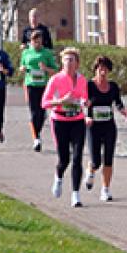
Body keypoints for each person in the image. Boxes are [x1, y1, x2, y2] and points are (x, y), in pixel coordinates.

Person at [41, 47, 89, 207]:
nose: (69, 63)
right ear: (62, 62)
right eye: (66, 60)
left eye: (72, 60)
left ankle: (75, 194)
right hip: (59, 121)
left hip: (77, 120)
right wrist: (61, 101)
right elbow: (45, 102)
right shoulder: (55, 79)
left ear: (77, 63)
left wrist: (85, 103)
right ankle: (58, 177)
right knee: (64, 159)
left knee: (77, 158)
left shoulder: (82, 80)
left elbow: (85, 99)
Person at [85, 56, 126, 202]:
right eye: (100, 68)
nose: (103, 71)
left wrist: (124, 111)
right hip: (93, 126)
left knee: (108, 159)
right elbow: (82, 103)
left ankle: (105, 189)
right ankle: (90, 169)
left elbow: (118, 102)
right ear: (95, 69)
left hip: (109, 125)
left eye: (105, 68)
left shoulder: (113, 86)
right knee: (96, 161)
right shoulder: (88, 85)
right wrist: (86, 116)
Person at [18, 29, 58, 152]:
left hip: (43, 85)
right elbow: (21, 66)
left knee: (41, 113)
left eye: (39, 42)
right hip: (30, 84)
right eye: (35, 41)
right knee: (34, 112)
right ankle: (36, 138)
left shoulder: (47, 53)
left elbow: (55, 70)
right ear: (31, 41)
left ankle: (37, 133)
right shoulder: (26, 52)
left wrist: (45, 68)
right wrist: (23, 68)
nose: (37, 44)